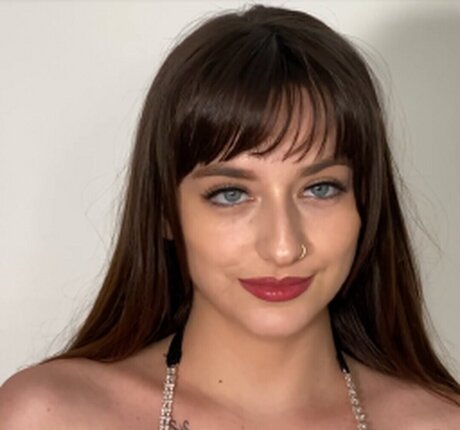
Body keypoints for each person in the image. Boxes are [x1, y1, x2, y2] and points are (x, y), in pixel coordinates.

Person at [0, 4, 459, 429]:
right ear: (164, 211)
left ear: (365, 204)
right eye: (231, 194)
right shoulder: (50, 417)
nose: (283, 247)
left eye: (320, 188)